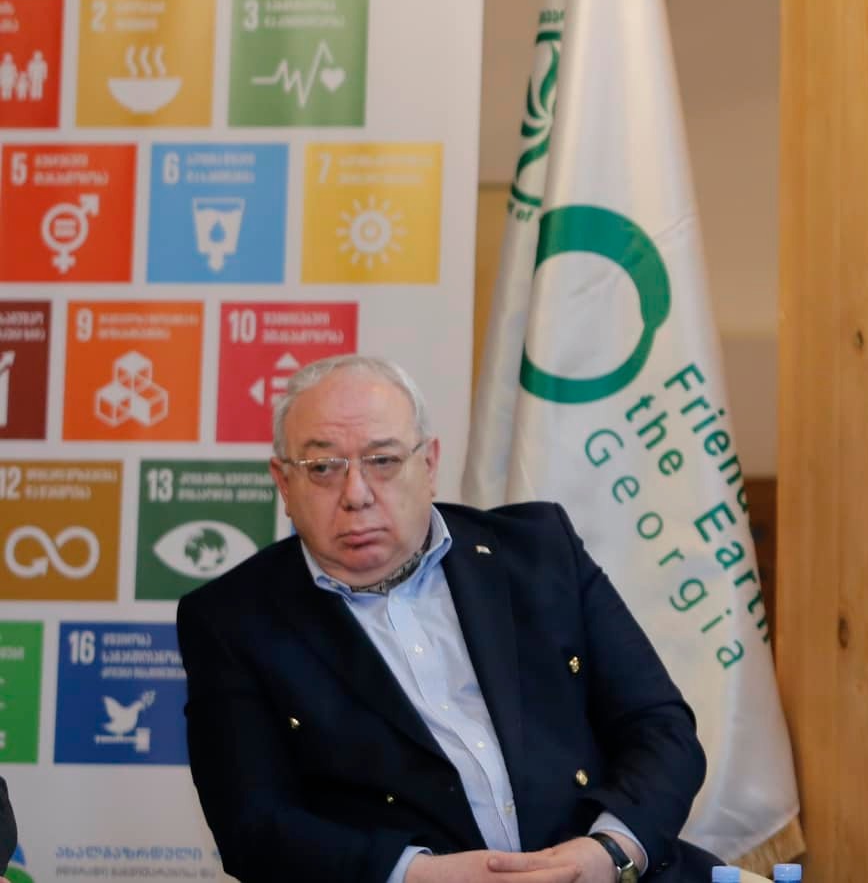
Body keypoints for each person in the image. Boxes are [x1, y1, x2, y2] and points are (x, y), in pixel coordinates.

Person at [177, 354, 726, 883]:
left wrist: (610, 852)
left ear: (430, 463)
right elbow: (254, 825)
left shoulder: (539, 553)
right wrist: (419, 876)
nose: (356, 495)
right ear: (283, 483)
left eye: (383, 461)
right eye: (322, 468)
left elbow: (661, 728)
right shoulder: (234, 620)